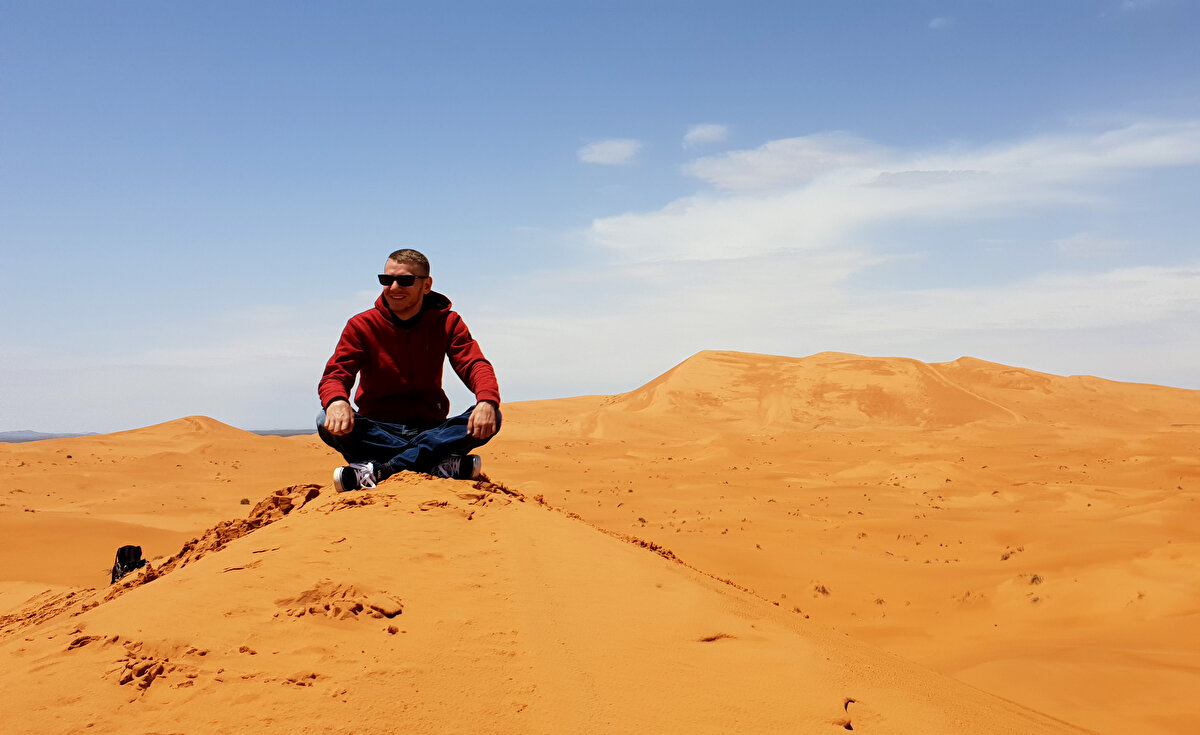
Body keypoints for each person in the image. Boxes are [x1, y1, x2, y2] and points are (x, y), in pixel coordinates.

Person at [317, 249, 501, 492]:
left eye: (404, 280)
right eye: (386, 280)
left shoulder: (447, 322)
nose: (394, 287)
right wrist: (337, 401)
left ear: (426, 285)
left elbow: (473, 363)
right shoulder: (361, 325)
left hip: (430, 427)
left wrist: (487, 400)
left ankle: (382, 470)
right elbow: (336, 373)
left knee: (493, 416)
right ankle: (433, 462)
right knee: (324, 419)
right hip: (378, 429)